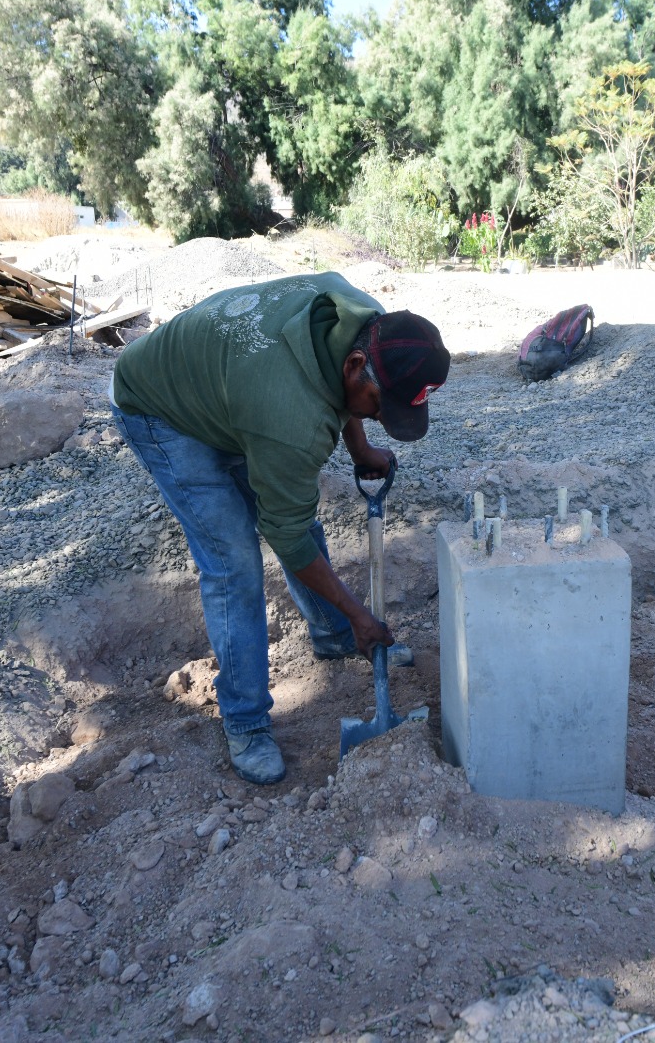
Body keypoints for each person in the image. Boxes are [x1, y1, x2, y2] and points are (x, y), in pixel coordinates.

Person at [109, 272, 450, 785]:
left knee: (292, 508)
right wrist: (361, 613)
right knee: (233, 563)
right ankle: (245, 722)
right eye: (382, 409)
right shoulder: (289, 419)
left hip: (231, 388)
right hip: (160, 405)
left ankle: (332, 635)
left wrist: (360, 449)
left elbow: (338, 387)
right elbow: (285, 533)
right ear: (357, 366)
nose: (383, 420)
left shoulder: (368, 326)